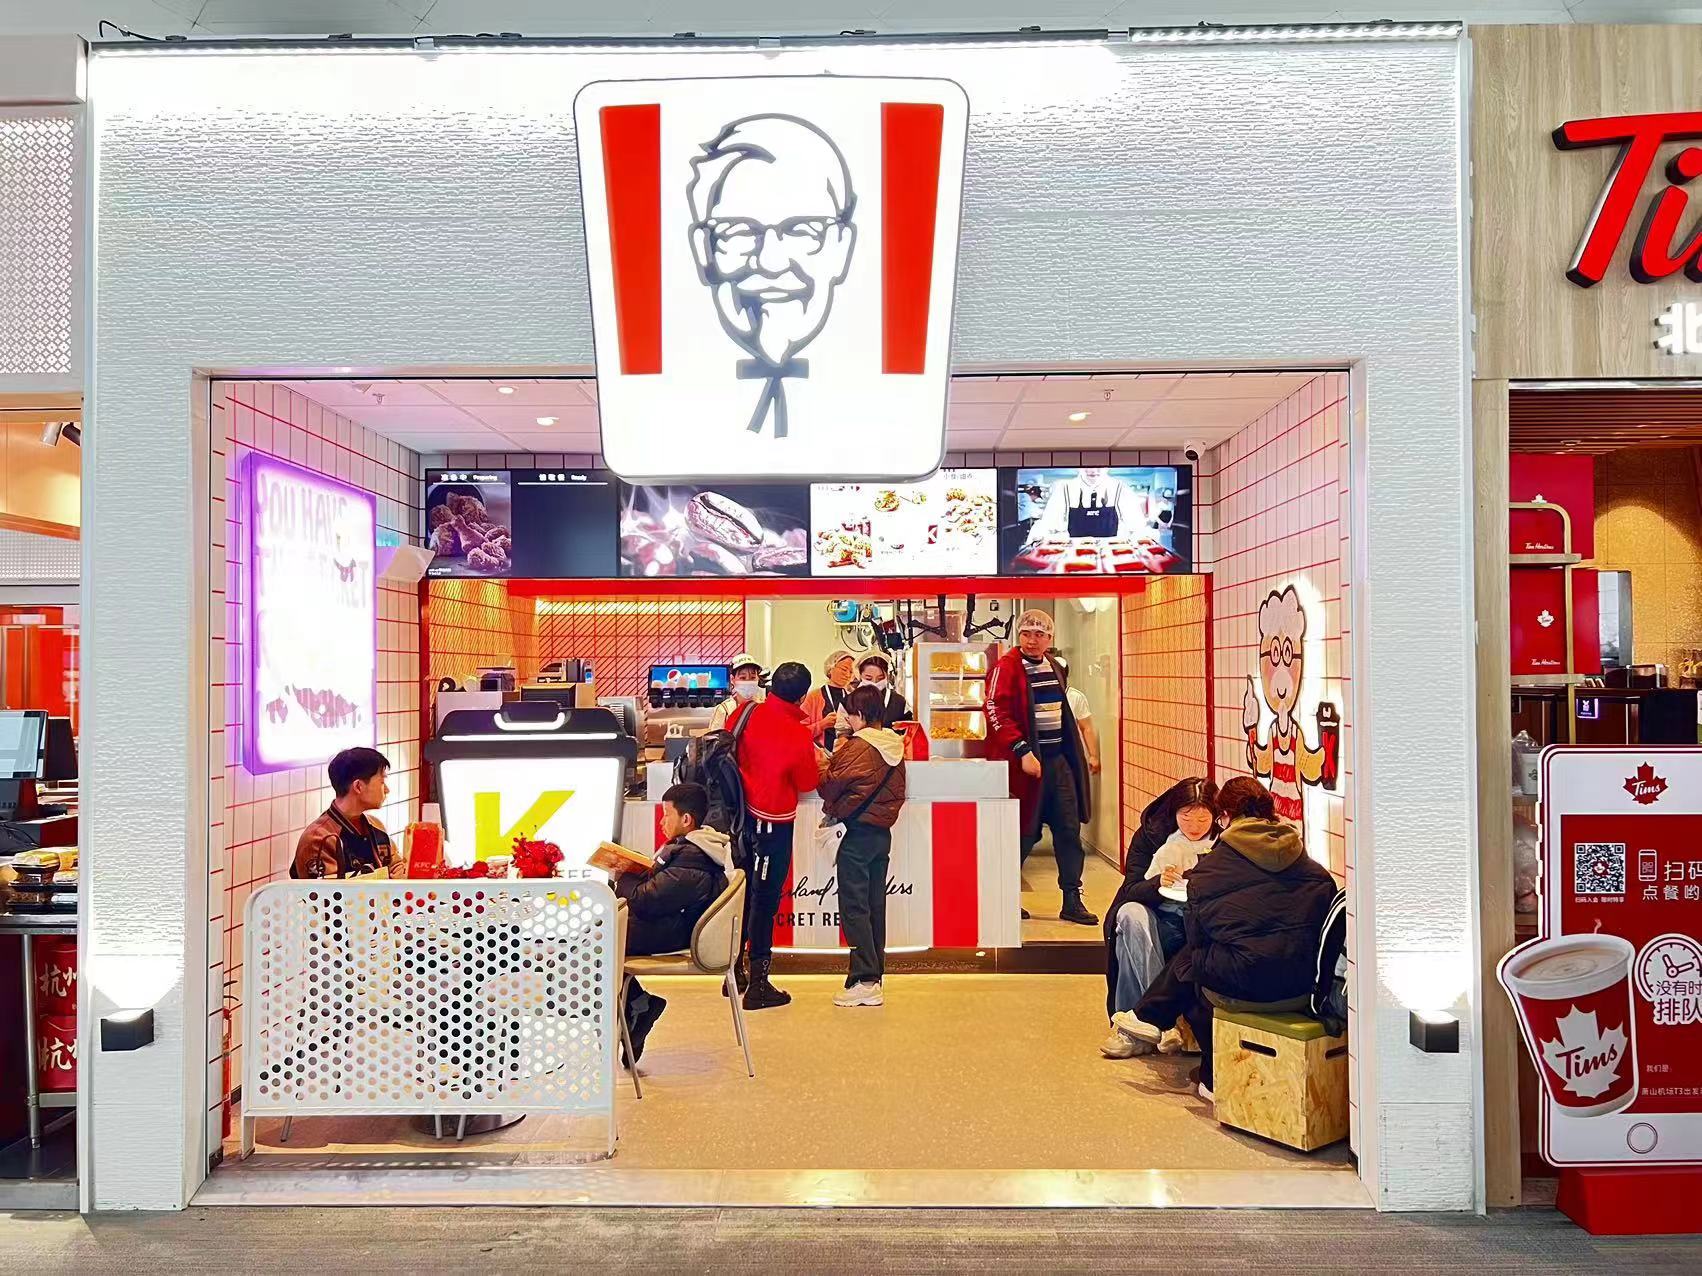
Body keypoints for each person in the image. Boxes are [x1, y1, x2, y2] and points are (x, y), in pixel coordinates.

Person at [1112, 776, 1337, 1099]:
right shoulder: (1313, 869)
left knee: (1191, 965)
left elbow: (1198, 939)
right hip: (1304, 988)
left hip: (1243, 990)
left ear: (1224, 817)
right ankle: (1149, 1018)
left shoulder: (1210, 870)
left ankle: (1206, 1070)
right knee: (1199, 958)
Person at [687, 114, 857, 438]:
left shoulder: (871, 409)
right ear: (703, 250)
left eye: (802, 231)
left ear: (841, 248)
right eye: (739, 231)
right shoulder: (677, 407)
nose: (770, 262)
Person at [987, 609, 1097, 925]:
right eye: (1026, 634)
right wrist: (1021, 749)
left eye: (1039, 635)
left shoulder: (1055, 666)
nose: (1032, 640)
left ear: (1050, 638)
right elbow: (994, 708)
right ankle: (1006, 898)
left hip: (1058, 762)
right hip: (1025, 765)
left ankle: (1072, 899)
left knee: (1068, 831)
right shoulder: (1005, 667)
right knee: (1023, 833)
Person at [611, 782, 732, 1061]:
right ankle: (637, 1007)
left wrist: (624, 875)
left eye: (667, 815)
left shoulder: (693, 857)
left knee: (597, 946)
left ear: (686, 819)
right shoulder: (690, 850)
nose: (662, 822)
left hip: (672, 931)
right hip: (668, 925)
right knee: (597, 943)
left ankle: (636, 1009)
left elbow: (645, 900)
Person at [1100, 778, 1218, 1059]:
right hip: (1158, 915)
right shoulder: (1153, 835)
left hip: (1199, 920)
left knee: (1129, 949)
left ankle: (1134, 1029)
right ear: (1173, 811)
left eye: (1203, 818)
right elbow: (1131, 889)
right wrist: (1157, 883)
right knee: (1130, 917)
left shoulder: (1223, 841)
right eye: (1186, 816)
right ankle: (1163, 1023)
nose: (1194, 826)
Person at [730, 659, 822, 1010]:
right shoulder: (796, 733)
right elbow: (807, 782)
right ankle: (758, 984)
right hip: (772, 822)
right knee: (765, 901)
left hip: (739, 820)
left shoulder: (745, 713)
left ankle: (734, 971)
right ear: (802, 697)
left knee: (742, 894)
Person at [817, 684, 907, 1008]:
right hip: (881, 835)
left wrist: (823, 764)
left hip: (855, 835)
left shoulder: (858, 746)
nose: (847, 720)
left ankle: (865, 980)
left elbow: (828, 786)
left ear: (860, 714)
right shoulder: (894, 744)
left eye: (850, 714)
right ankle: (873, 976)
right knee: (874, 906)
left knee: (854, 907)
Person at [291, 747, 397, 879]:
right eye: (382, 782)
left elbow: (397, 865)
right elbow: (329, 890)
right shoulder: (318, 839)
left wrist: (400, 873)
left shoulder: (375, 825)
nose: (387, 790)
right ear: (358, 786)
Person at [1024, 466, 1150, 546]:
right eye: (1087, 466)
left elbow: (1137, 527)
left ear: (1107, 467)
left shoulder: (1120, 488)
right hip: (1073, 554)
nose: (1093, 471)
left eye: (1099, 466)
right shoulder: (1064, 488)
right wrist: (1037, 539)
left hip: (1112, 554)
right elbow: (1047, 524)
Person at [800, 648, 856, 750]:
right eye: (844, 669)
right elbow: (799, 733)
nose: (848, 675)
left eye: (851, 672)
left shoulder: (854, 697)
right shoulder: (813, 697)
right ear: (830, 669)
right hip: (820, 755)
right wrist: (822, 724)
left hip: (846, 753)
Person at [708, 653, 764, 730]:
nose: (748, 681)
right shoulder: (724, 710)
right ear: (732, 679)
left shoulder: (764, 706)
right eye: (743, 678)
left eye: (753, 677)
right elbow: (715, 736)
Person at [853, 652, 911, 727]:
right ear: (860, 676)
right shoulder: (850, 701)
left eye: (880, 678)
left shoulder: (899, 701)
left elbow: (908, 727)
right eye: (868, 678)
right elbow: (843, 730)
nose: (874, 682)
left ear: (887, 676)